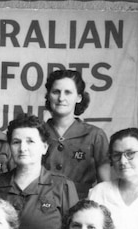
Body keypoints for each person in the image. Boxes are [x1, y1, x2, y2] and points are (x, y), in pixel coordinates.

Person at [42, 69, 110, 199]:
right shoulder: (37, 133)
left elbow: (104, 185)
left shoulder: (95, 135)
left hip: (81, 206)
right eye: (56, 92)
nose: (61, 98)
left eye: (68, 92)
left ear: (79, 97)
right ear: (49, 96)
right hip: (43, 205)